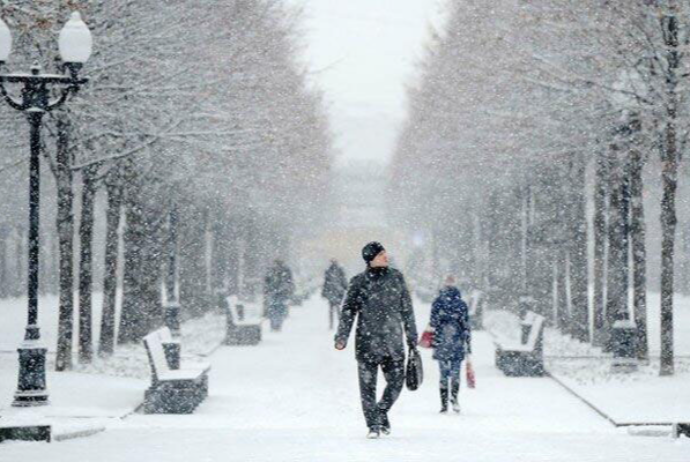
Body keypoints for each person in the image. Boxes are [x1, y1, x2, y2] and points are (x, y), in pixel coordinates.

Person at [335, 242, 419, 439]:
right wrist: (341, 336)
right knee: (367, 388)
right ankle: (372, 425)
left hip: (393, 342)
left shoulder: (397, 278)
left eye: (385, 253)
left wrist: (411, 336)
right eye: (381, 254)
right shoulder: (358, 282)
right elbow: (348, 311)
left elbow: (407, 309)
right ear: (370, 258)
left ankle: (381, 411)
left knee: (397, 383)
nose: (386, 256)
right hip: (367, 343)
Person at [430, 275, 471, 414]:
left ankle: (447, 402)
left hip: (444, 341)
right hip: (454, 341)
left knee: (446, 374)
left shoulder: (438, 302)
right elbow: (466, 325)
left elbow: (433, 322)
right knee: (453, 374)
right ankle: (452, 400)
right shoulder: (460, 304)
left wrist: (442, 318)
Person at [264, 259, 295, 332]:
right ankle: (278, 325)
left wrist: (268, 290)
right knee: (280, 308)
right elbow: (289, 281)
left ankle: (273, 325)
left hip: (273, 293)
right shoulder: (286, 270)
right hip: (282, 293)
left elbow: (266, 281)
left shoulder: (271, 270)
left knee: (273, 308)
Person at [321, 259, 348, 330]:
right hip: (337, 292)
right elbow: (343, 280)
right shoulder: (338, 270)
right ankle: (338, 323)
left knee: (332, 309)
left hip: (332, 292)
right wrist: (346, 288)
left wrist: (324, 292)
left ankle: (333, 324)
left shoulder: (329, 270)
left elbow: (326, 282)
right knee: (337, 308)